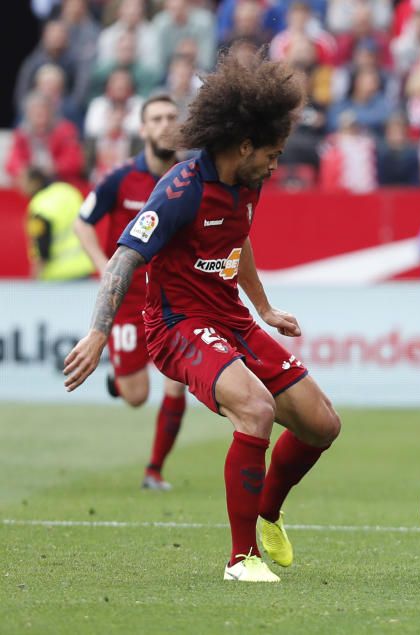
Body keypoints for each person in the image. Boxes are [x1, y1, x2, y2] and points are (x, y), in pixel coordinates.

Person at [63, 51, 341, 583]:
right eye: (273, 154)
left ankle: (267, 513)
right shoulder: (180, 188)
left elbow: (240, 238)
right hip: (177, 325)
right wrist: (99, 332)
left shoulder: (249, 181)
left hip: (231, 318)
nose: (276, 165)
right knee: (256, 411)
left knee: (322, 424)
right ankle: (242, 561)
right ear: (244, 145)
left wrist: (262, 308)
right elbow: (124, 257)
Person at [73, 95, 189, 491]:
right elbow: (82, 222)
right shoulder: (120, 178)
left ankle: (154, 470)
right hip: (127, 304)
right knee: (137, 395)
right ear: (143, 129)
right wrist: (101, 263)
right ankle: (118, 380)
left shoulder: (191, 177)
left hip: (173, 301)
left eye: (172, 117)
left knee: (177, 381)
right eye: (157, 118)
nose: (165, 124)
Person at [21, 167, 94, 281]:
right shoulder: (68, 191)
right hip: (83, 268)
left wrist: (33, 282)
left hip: (57, 277)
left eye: (23, 181)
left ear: (35, 182)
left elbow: (42, 249)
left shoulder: (39, 206)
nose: (21, 186)